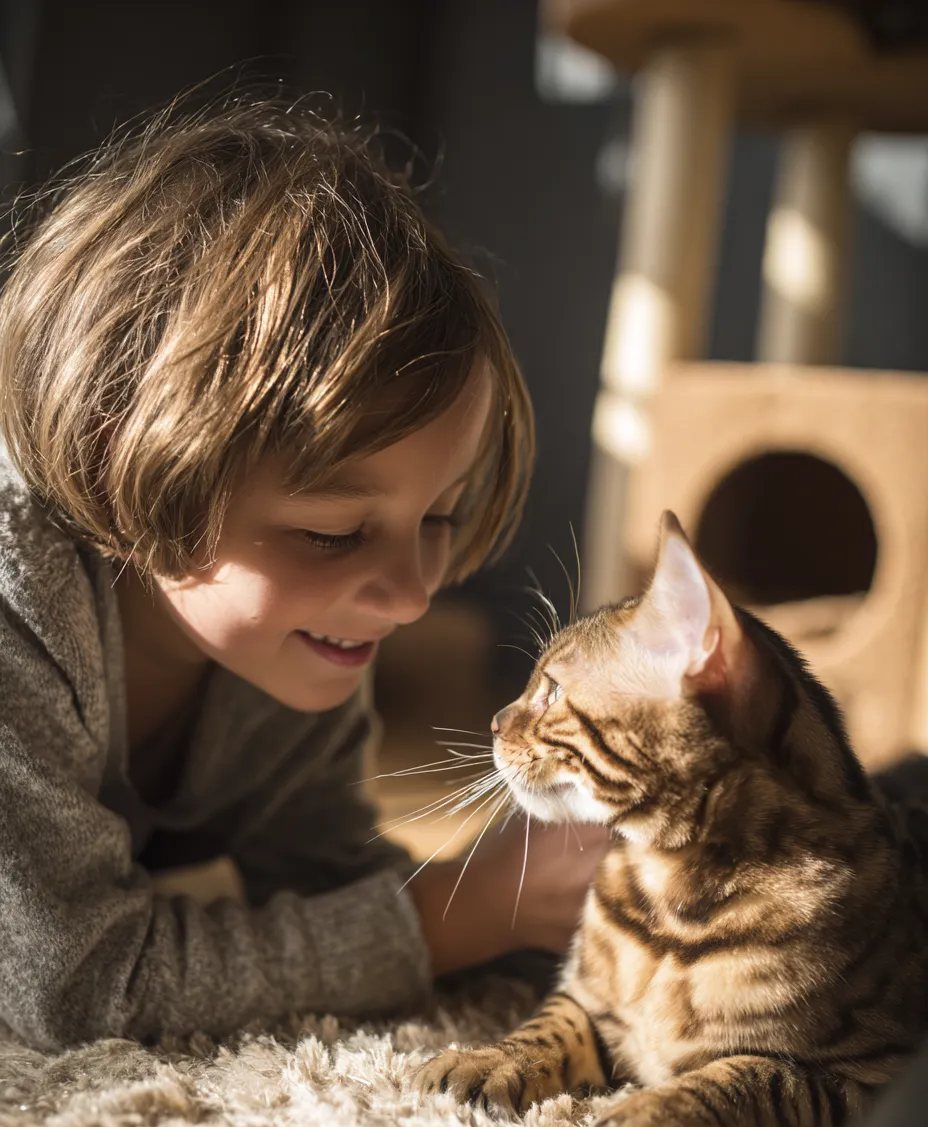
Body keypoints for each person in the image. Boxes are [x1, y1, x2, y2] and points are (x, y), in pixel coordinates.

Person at [0, 96, 609, 1051]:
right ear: (126, 459)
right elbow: (71, 984)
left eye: (438, 517)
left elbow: (327, 886)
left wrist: (545, 903)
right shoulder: (16, 602)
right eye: (332, 533)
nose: (410, 596)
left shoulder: (289, 652)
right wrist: (454, 915)